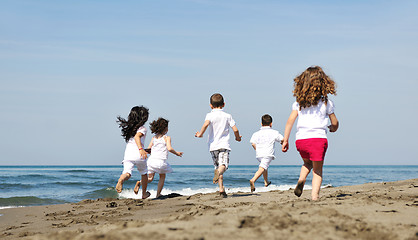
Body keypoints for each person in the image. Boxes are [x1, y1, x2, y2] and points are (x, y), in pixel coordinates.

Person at [282, 66, 339, 201]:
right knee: (317, 170)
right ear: (324, 83)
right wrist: (332, 128)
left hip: (301, 140)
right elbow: (335, 122)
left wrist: (285, 139)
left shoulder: (298, 103)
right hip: (318, 139)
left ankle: (301, 179)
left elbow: (290, 121)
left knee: (307, 163)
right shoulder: (326, 102)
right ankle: (315, 196)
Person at [195, 93, 242, 198]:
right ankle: (218, 175)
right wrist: (237, 137)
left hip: (212, 146)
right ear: (224, 104)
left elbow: (206, 124)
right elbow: (235, 129)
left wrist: (200, 134)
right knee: (223, 166)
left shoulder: (209, 115)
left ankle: (221, 189)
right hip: (224, 145)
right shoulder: (227, 116)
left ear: (211, 105)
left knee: (218, 166)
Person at [134, 118, 183, 198]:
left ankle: (140, 182)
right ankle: (158, 194)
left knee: (150, 178)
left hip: (151, 161)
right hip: (160, 162)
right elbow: (169, 148)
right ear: (165, 129)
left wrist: (144, 151)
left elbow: (149, 149)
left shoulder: (154, 138)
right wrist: (177, 153)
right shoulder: (166, 138)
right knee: (162, 176)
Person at [115, 106, 151, 199]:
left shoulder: (130, 129)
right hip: (139, 155)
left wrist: (144, 149)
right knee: (144, 173)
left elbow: (134, 140)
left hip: (128, 155)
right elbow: (137, 137)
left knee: (127, 173)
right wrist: (141, 149)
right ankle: (144, 194)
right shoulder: (142, 128)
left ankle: (121, 180)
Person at [249, 114, 283, 193]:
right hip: (268, 153)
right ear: (271, 123)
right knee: (262, 167)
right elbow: (282, 139)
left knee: (264, 167)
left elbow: (253, 143)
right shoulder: (274, 132)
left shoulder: (256, 133)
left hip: (259, 154)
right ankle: (253, 180)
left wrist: (257, 149)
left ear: (261, 123)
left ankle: (266, 182)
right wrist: (283, 144)